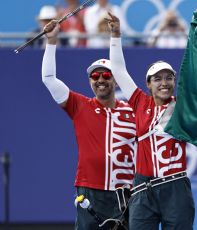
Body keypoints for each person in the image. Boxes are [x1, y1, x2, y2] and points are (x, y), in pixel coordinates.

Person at [106, 11, 197, 229]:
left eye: (169, 78)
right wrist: (116, 34)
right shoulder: (139, 102)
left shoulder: (182, 106)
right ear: (148, 84)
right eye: (158, 79)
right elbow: (117, 69)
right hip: (143, 189)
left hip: (175, 187)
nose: (164, 83)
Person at [41, 20, 136, 229]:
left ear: (116, 80)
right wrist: (52, 41)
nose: (100, 79)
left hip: (125, 193)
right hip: (89, 190)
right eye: (95, 75)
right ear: (90, 81)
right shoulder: (80, 105)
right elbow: (49, 79)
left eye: (106, 75)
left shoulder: (132, 110)